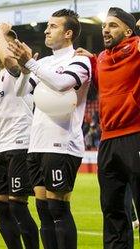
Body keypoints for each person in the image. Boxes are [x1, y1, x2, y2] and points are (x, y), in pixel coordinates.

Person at [9, 8, 91, 249]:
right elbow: (21, 91)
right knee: (43, 210)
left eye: (53, 26)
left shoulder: (79, 59)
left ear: (68, 33)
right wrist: (25, 69)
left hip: (63, 143)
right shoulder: (43, 62)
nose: (46, 29)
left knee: (58, 208)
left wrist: (30, 63)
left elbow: (62, 83)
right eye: (47, 25)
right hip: (37, 143)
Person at [75, 7, 140, 248]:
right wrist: (90, 58)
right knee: (112, 211)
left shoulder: (136, 47)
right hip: (108, 140)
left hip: (135, 134)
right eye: (104, 25)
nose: (105, 29)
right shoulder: (102, 58)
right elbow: (103, 78)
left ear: (128, 30)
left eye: (113, 25)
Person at [0, 23, 39, 249]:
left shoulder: (16, 67)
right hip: (1, 146)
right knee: (0, 206)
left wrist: (1, 32)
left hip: (21, 144)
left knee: (18, 205)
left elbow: (10, 60)